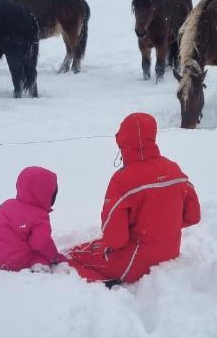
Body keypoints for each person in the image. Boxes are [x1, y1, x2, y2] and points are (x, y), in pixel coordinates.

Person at [67, 112, 200, 286]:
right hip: (170, 254)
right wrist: (162, 228)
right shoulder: (174, 170)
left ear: (122, 141)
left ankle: (105, 284)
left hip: (134, 263)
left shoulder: (123, 179)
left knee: (74, 255)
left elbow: (115, 239)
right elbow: (193, 216)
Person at [0, 166, 66, 272]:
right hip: (14, 261)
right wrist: (55, 257)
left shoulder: (6, 204)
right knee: (41, 256)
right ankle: (39, 267)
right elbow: (41, 243)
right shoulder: (39, 216)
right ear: (45, 194)